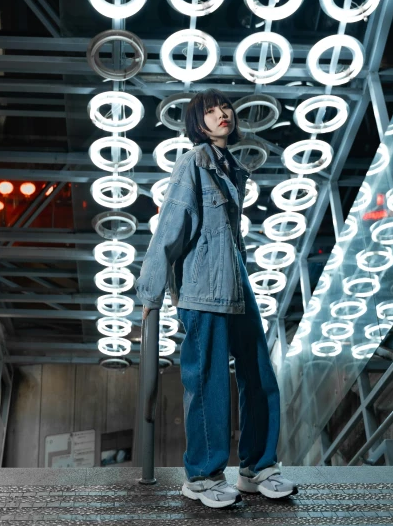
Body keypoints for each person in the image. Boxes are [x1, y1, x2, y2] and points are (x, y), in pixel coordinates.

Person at [135, 89, 297, 509]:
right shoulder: (194, 162)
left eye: (224, 107)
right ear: (196, 123)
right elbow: (172, 223)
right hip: (202, 285)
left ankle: (257, 468)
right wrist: (150, 290)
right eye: (209, 111)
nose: (222, 113)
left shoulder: (232, 168)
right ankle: (203, 476)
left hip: (236, 282)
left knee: (259, 374)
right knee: (206, 379)